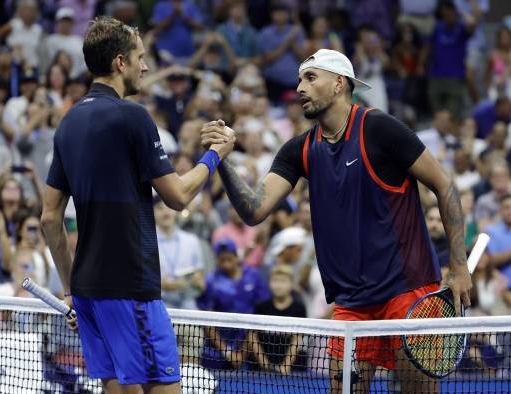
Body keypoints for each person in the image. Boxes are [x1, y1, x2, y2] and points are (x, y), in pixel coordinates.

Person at [201, 48, 472, 393]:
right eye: (299, 78)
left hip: (407, 293)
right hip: (352, 307)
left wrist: (459, 267)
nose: (300, 87)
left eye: (310, 78)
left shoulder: (379, 129)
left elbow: (443, 185)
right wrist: (221, 160)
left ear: (339, 84)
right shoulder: (298, 150)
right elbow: (254, 210)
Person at [41, 17, 234, 394]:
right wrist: (215, 154)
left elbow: (50, 218)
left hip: (88, 293)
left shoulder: (68, 123)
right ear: (120, 62)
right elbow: (177, 197)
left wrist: (69, 291)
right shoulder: (133, 117)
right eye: (140, 57)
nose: (146, 66)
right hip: (130, 288)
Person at [197, 238, 270, 370]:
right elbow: (207, 321)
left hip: (248, 348)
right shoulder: (211, 280)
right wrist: (227, 352)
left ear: (237, 257)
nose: (225, 264)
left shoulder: (253, 276)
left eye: (229, 259)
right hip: (215, 352)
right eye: (221, 260)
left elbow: (261, 314)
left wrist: (243, 352)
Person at [251, 264, 307, 374]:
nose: (278, 285)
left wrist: (286, 364)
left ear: (291, 284)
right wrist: (264, 362)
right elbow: (252, 336)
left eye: (283, 281)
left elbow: (297, 338)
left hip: (291, 369)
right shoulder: (261, 307)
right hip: (261, 370)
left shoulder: (299, 308)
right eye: (275, 281)